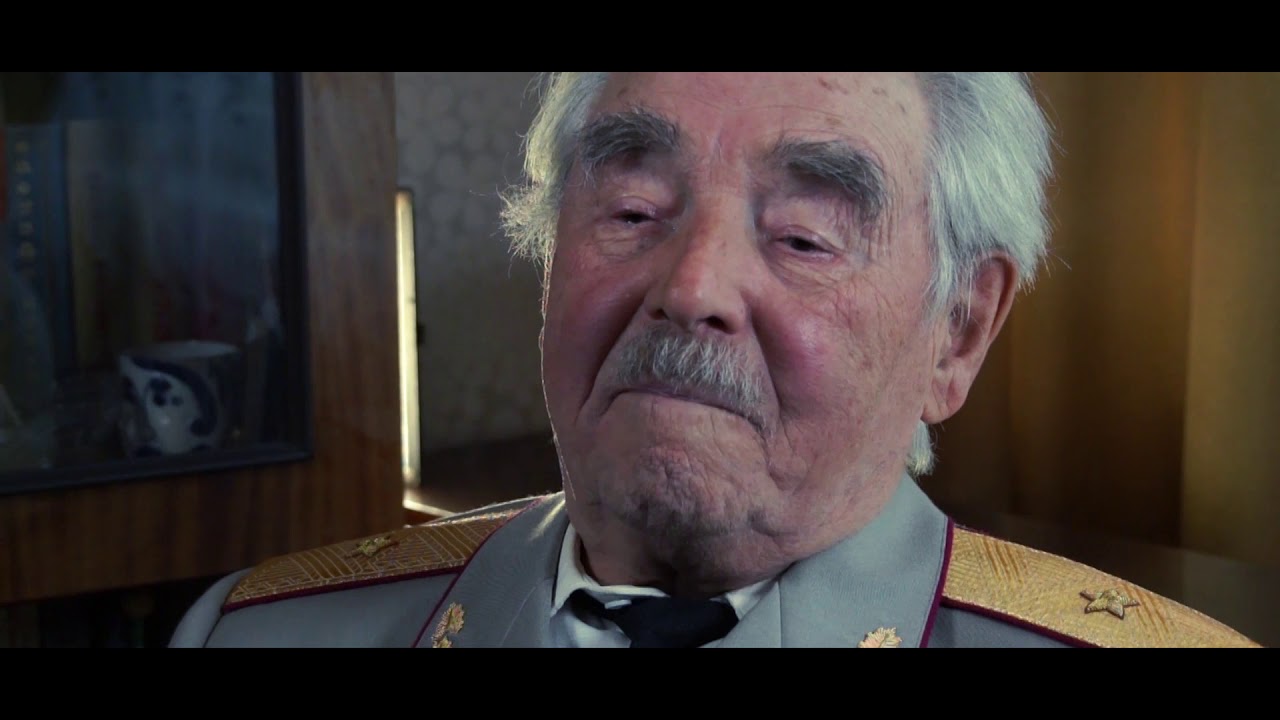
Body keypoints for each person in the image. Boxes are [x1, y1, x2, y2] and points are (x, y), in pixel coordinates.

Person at [170, 73, 1260, 648]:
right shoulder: (256, 632)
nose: (689, 287)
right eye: (633, 210)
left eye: (803, 237)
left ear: (959, 331)